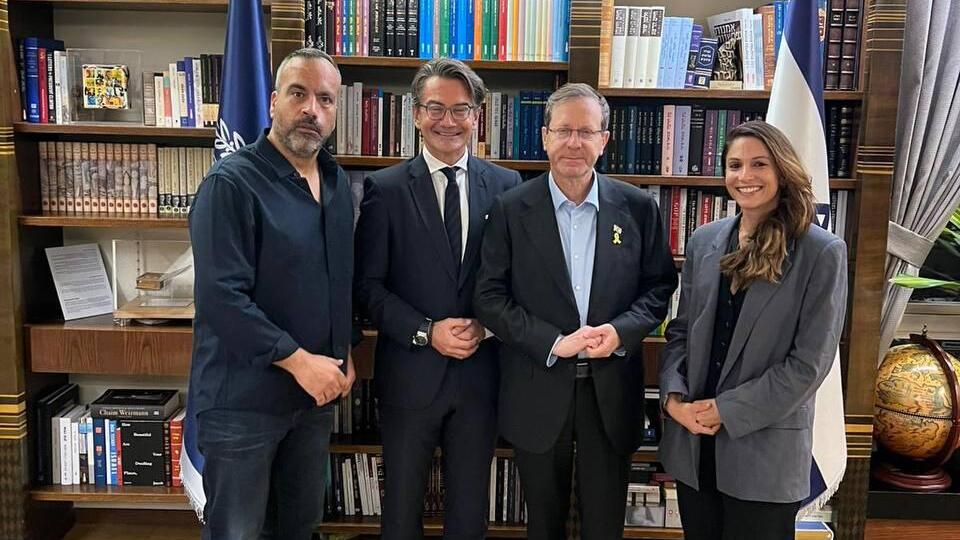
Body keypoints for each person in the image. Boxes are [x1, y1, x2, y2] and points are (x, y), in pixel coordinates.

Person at [473, 83, 677, 539]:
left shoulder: (638, 208)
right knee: (543, 525)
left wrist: (622, 331)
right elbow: (489, 297)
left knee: (604, 525)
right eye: (563, 130)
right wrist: (552, 342)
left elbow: (659, 285)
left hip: (610, 393)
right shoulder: (509, 210)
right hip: (537, 390)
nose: (574, 142)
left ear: (604, 140)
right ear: (544, 136)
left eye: (586, 131)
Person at [187, 48, 354, 540]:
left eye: (325, 99)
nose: (312, 110)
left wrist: (345, 350)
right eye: (299, 94)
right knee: (238, 533)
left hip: (311, 404)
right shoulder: (230, 185)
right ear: (274, 101)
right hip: (243, 405)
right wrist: (300, 361)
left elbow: (339, 277)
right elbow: (222, 298)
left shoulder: (338, 182)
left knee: (298, 529)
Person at [354, 58, 521, 539]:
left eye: (460, 109)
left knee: (469, 514)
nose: (448, 121)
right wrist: (427, 332)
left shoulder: (507, 187)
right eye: (435, 108)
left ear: (477, 116)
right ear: (415, 114)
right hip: (410, 375)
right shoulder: (383, 190)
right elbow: (367, 287)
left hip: (481, 377)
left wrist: (487, 326)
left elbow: (518, 281)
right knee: (402, 512)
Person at [658, 120, 848, 540]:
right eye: (735, 164)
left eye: (759, 164)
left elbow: (808, 365)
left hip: (764, 453)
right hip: (695, 445)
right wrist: (674, 400)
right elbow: (680, 332)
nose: (745, 176)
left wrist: (726, 410)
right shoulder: (704, 241)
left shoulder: (821, 252)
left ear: (782, 170)